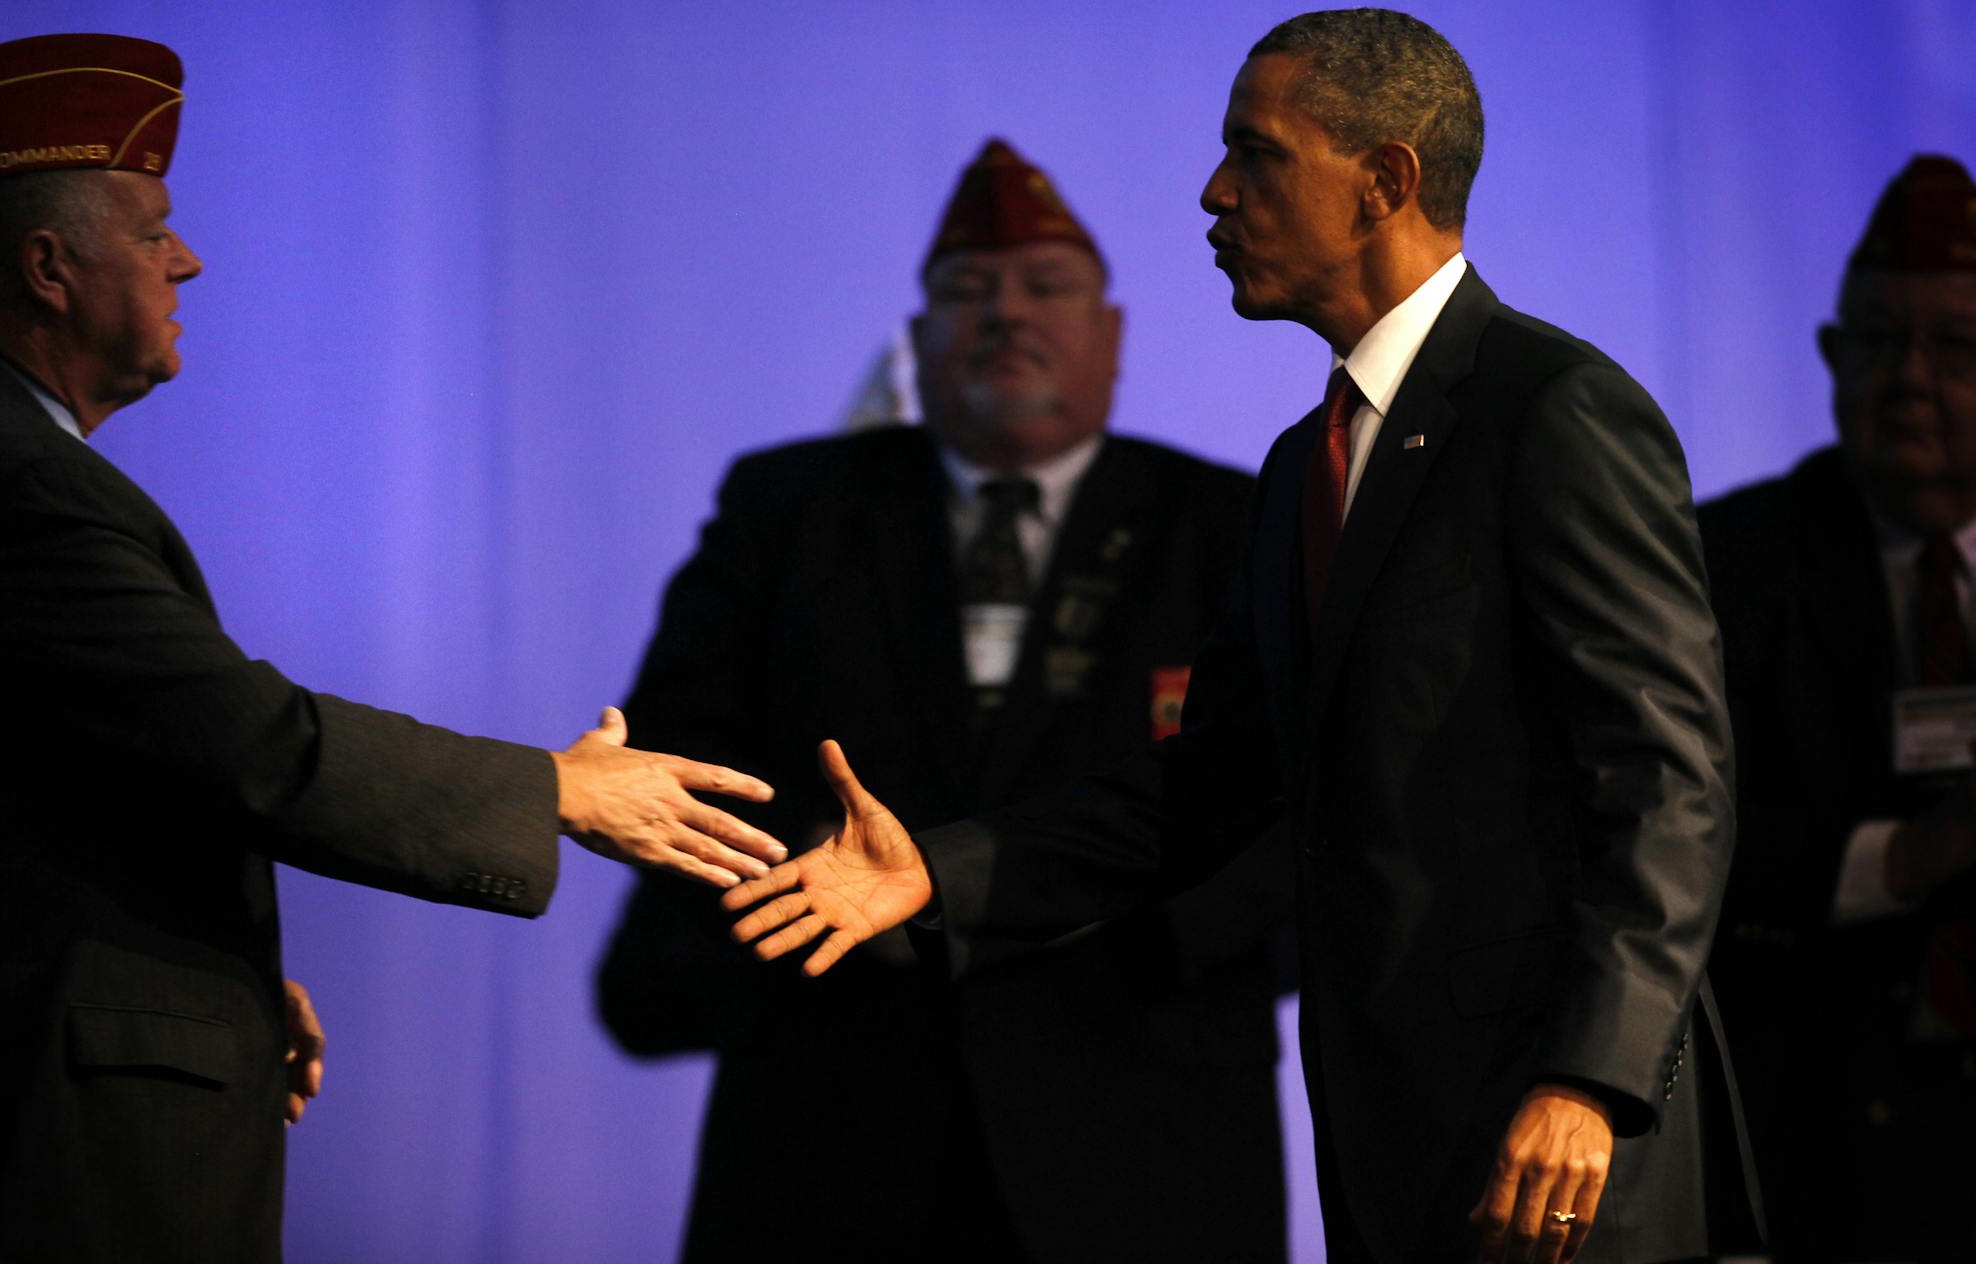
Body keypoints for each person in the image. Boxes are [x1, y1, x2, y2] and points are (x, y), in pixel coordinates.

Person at [727, 11, 1759, 1262]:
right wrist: (936, 872)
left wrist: (1593, 1078)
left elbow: (1668, 777)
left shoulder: (1555, 411)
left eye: (1256, 155)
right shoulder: (1300, 469)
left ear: (1386, 180)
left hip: (1562, 1152)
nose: (1213, 194)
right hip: (1398, 1143)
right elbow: (1214, 785)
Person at [0, 34, 786, 1261]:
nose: (188, 260)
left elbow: (62, 780)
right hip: (35, 1139)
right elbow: (238, 738)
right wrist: (554, 790)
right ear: (49, 267)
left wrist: (204, 965)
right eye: (152, 230)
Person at [597, 138, 1288, 1261]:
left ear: (1112, 339)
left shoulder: (1231, 521)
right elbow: (674, 766)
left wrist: (1092, 913)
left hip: (1145, 1142)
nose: (1006, 314)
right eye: (967, 292)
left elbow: (1300, 805)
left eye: (1046, 288)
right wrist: (793, 860)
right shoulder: (792, 510)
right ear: (918, 342)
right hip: (828, 1138)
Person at [1702, 154, 1976, 1262]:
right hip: (1817, 1147)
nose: (1907, 380)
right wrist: (1910, 857)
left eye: (1954, 347)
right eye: (1873, 342)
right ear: (1827, 357)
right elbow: (1681, 844)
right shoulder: (1726, 565)